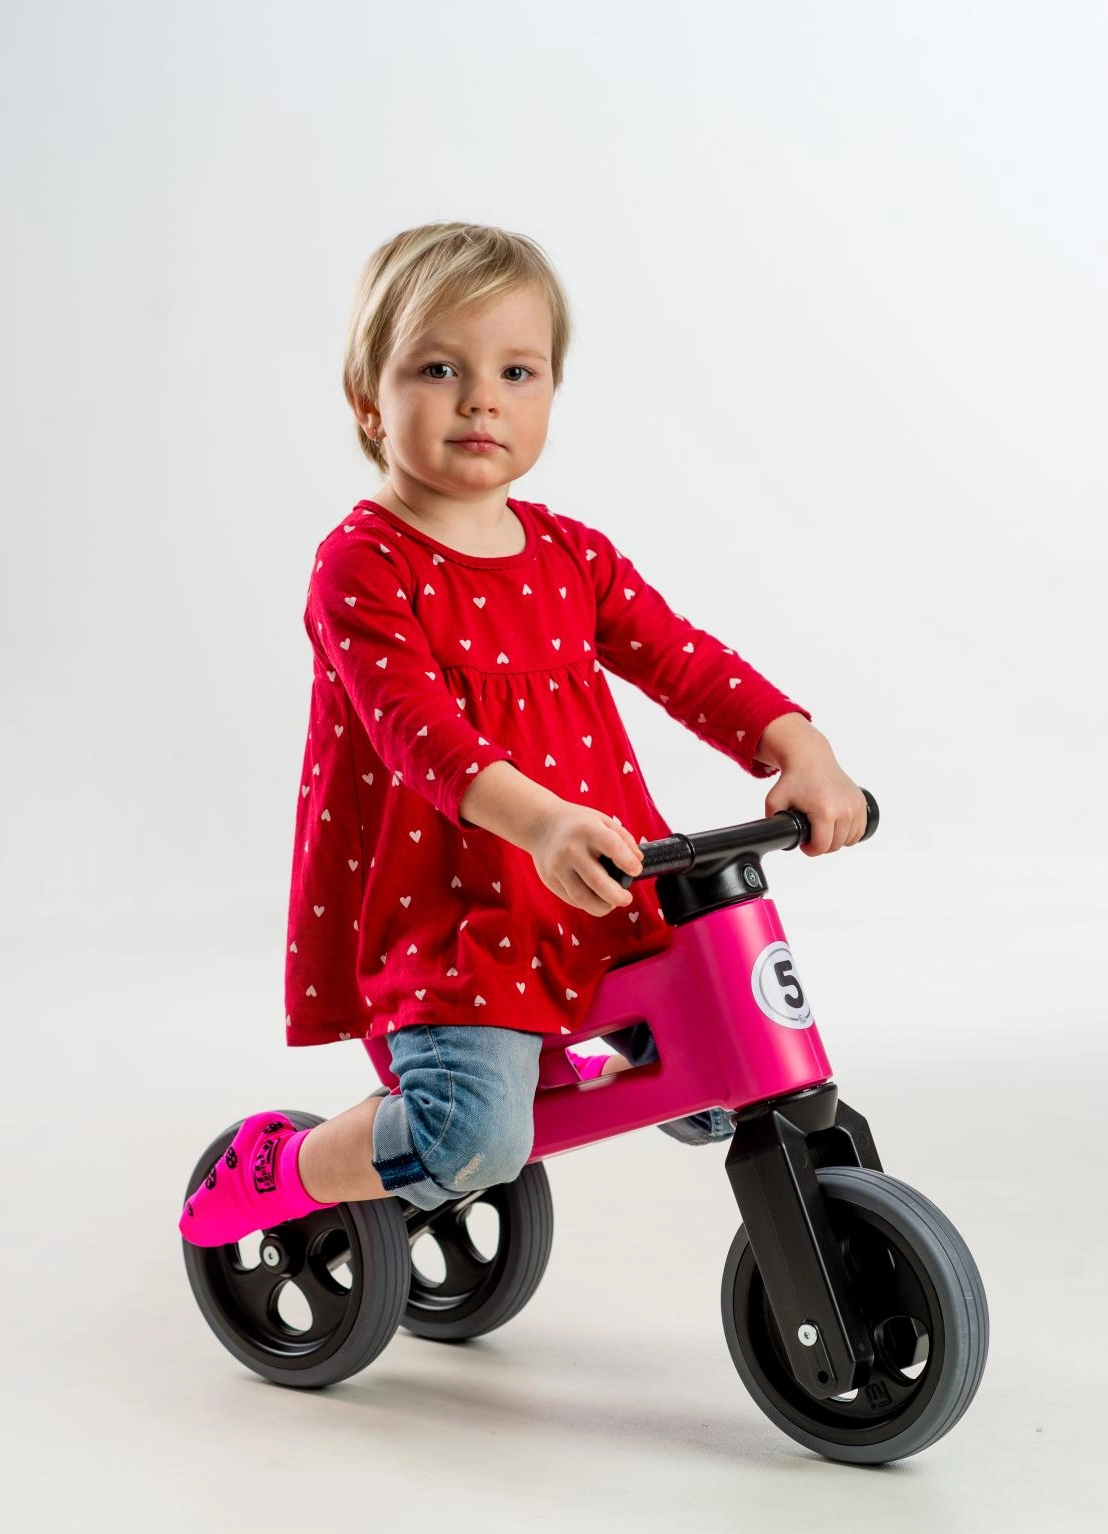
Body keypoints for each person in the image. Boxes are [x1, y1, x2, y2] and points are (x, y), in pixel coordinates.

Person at [179, 221, 868, 1249]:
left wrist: (798, 747)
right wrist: (541, 821)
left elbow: (683, 660)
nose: (481, 400)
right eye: (438, 369)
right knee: (469, 1140)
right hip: (454, 920)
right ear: (368, 400)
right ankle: (291, 1165)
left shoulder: (570, 554)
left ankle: (549, 1062)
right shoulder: (363, 564)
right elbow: (421, 735)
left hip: (596, 887)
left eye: (516, 371)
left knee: (736, 1067)